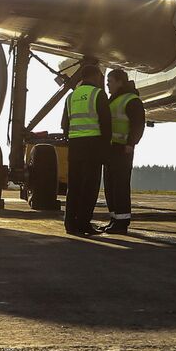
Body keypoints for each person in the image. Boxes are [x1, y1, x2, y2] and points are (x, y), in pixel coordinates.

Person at [62, 60, 111, 236]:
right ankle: (83, 224)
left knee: (73, 187)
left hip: (75, 146)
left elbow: (64, 124)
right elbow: (106, 124)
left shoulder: (71, 96)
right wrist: (106, 149)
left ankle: (69, 224)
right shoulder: (98, 94)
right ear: (96, 76)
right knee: (89, 187)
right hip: (93, 146)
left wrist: (72, 139)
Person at [100, 67, 146, 233]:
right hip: (111, 149)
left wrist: (130, 143)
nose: (107, 85)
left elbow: (138, 124)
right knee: (110, 186)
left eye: (110, 82)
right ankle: (114, 219)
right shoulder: (114, 99)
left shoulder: (131, 100)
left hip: (122, 149)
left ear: (120, 82)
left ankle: (122, 223)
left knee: (120, 186)